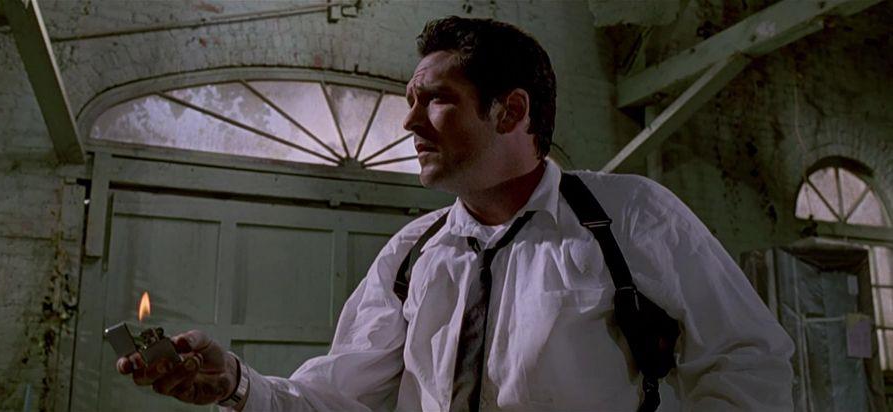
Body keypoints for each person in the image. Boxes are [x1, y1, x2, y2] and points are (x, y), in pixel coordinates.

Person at [117, 16, 794, 411]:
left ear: (511, 110)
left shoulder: (630, 216)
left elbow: (747, 362)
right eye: (409, 100)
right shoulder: (414, 253)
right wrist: (237, 384)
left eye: (435, 99)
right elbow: (342, 397)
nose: (408, 121)